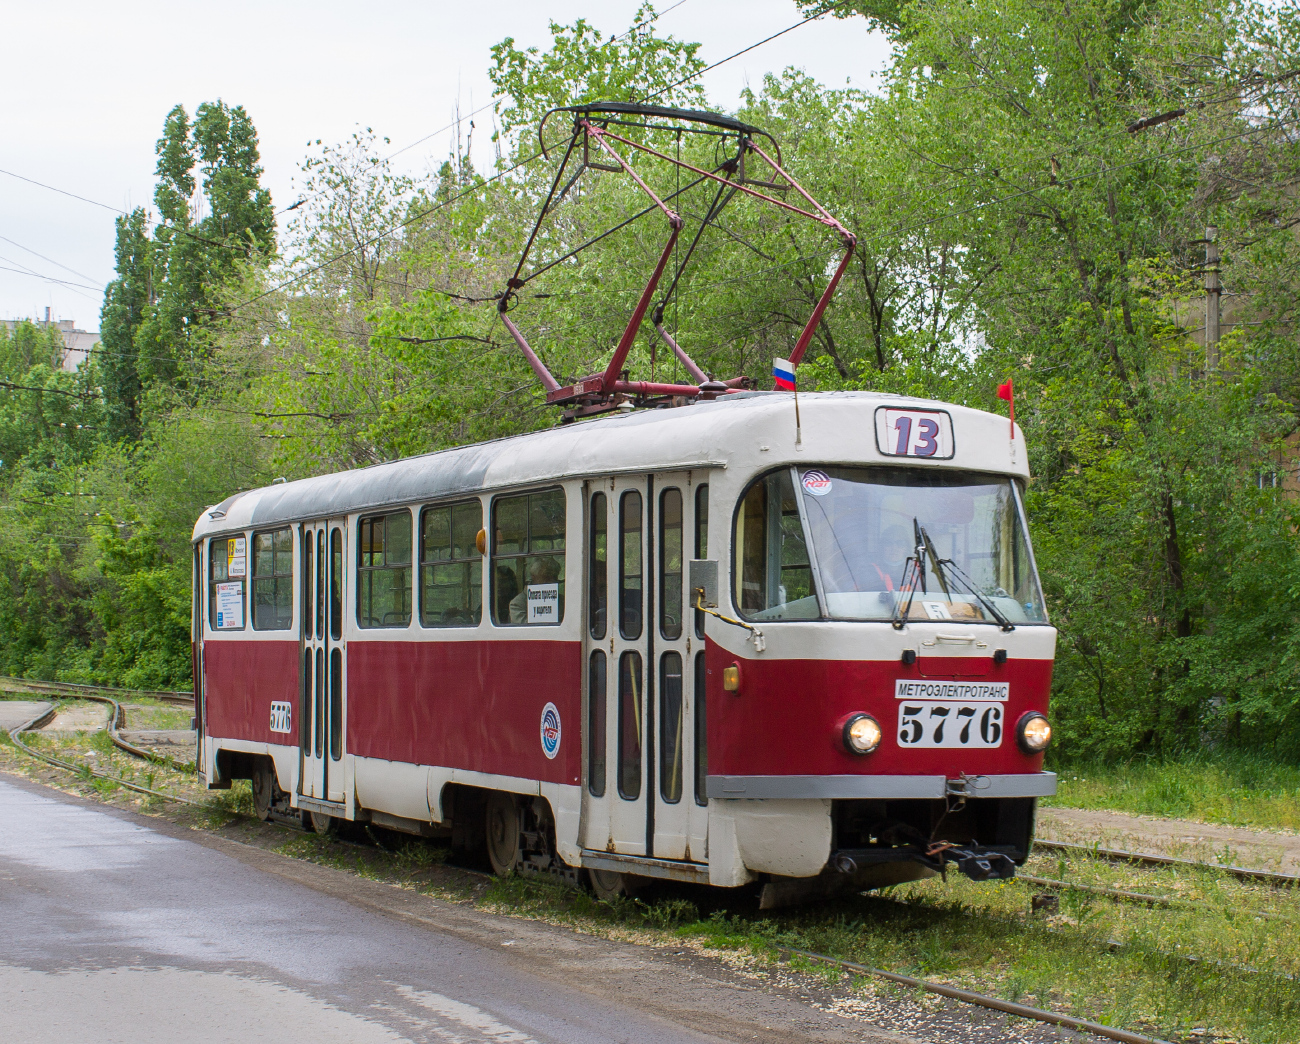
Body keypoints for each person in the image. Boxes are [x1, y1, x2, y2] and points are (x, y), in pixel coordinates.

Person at [509, 556, 561, 623]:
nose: (552, 581)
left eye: (554, 577)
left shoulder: (562, 601)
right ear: (534, 577)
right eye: (546, 577)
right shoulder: (518, 604)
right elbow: (527, 630)